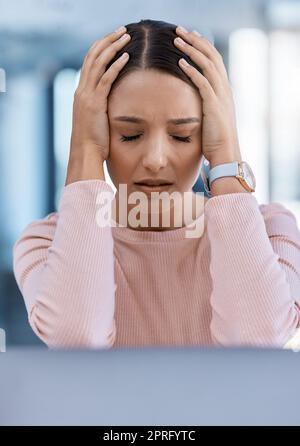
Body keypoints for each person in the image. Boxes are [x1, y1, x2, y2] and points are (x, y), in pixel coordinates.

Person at [13, 19, 300, 350]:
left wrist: (226, 155)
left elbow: (256, 341)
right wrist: (84, 150)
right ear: (102, 135)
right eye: (130, 134)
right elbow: (77, 337)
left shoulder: (270, 233)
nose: (155, 159)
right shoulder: (46, 243)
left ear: (207, 135)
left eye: (182, 135)